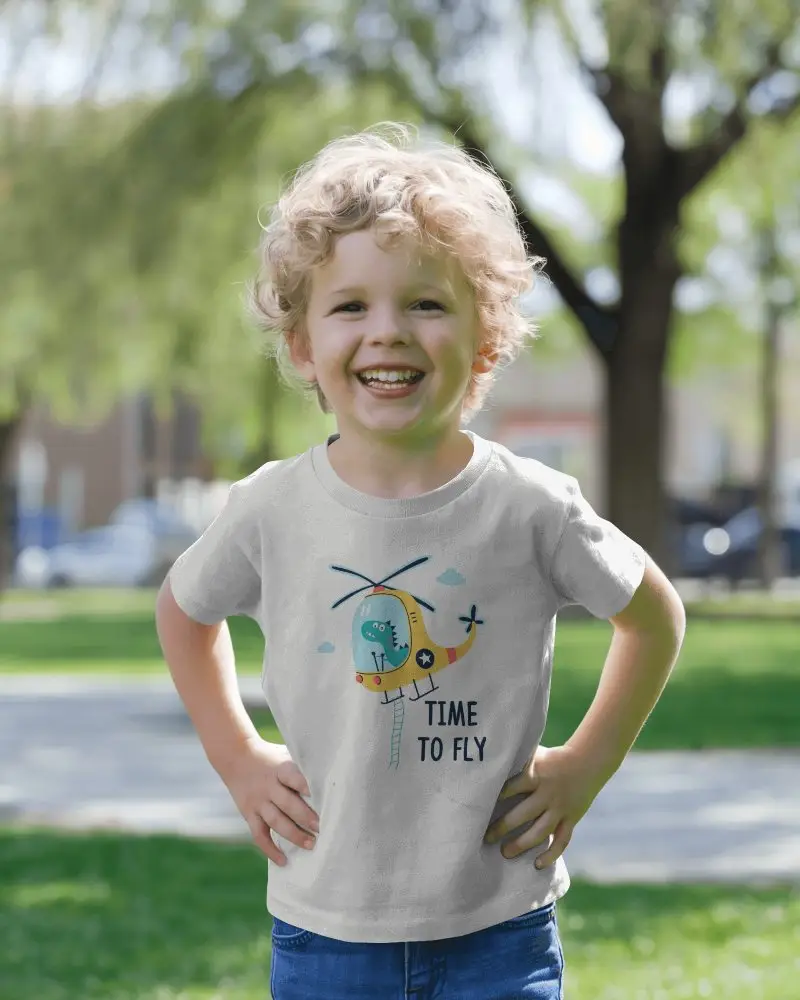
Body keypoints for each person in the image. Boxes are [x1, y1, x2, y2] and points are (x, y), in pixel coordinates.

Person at [155, 122, 686, 1000]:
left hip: (500, 929)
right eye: (350, 306)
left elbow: (653, 615)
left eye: (427, 305)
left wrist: (585, 765)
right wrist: (238, 757)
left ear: (485, 339)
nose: (388, 332)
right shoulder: (269, 510)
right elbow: (184, 611)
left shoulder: (532, 506)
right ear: (303, 347)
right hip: (325, 930)